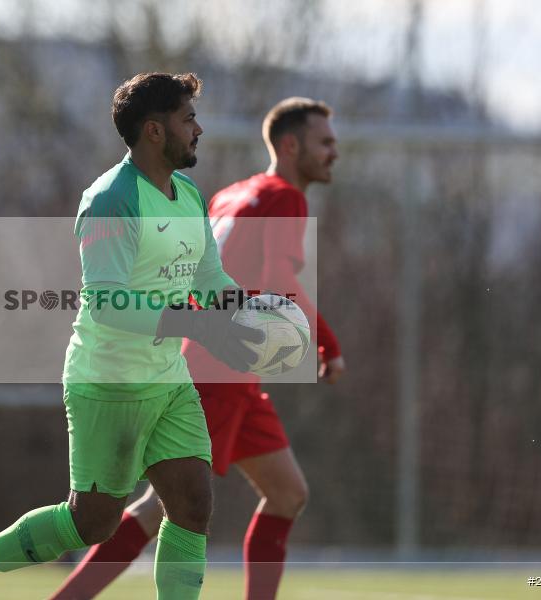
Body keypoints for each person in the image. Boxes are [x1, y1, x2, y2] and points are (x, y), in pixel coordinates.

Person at [0, 72, 263, 600]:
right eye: (188, 118)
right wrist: (193, 323)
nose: (199, 128)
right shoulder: (110, 200)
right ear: (154, 131)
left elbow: (208, 279)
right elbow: (106, 306)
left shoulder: (189, 195)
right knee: (92, 524)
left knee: (192, 505)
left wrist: (252, 310)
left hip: (167, 379)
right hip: (108, 381)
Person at [49, 97, 345, 600]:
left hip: (229, 373)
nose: (334, 152)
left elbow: (195, 276)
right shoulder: (284, 197)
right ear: (291, 146)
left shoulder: (230, 195)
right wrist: (326, 343)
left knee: (288, 493)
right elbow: (276, 279)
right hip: (219, 372)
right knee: (159, 506)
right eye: (326, 142)